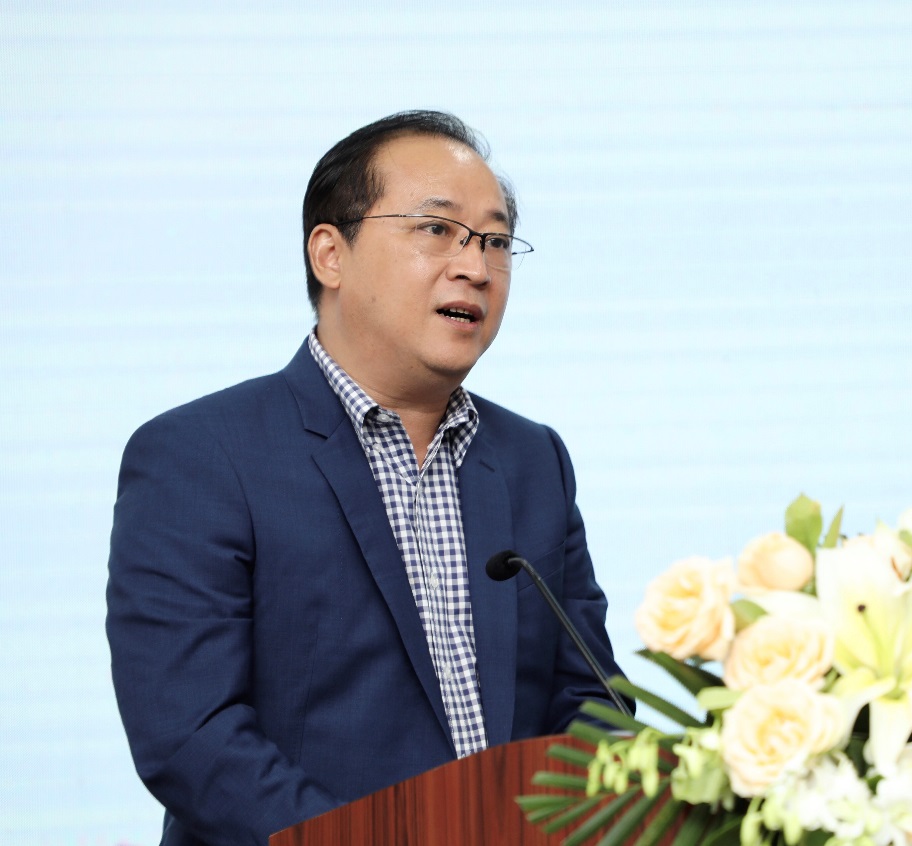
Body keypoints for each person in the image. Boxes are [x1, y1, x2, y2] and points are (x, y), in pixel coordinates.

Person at [106, 111, 627, 846]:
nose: (476, 267)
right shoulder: (200, 455)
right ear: (330, 254)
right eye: (436, 229)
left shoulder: (532, 459)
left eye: (496, 241)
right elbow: (191, 737)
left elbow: (593, 700)